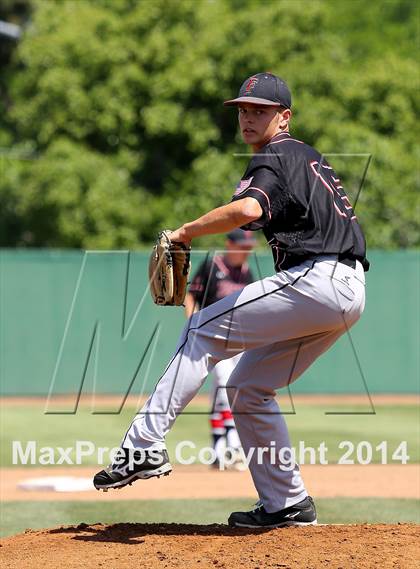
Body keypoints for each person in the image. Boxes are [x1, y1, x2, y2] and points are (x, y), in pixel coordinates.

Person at [94, 72, 369, 528]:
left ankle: (142, 446)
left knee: (199, 329)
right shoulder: (308, 157)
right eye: (243, 109)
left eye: (260, 109)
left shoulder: (276, 153)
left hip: (318, 279)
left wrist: (183, 231)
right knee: (246, 388)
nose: (247, 116)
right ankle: (288, 504)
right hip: (347, 289)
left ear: (284, 117)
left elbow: (248, 210)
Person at [185, 229, 256, 469]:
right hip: (214, 338)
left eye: (248, 247)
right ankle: (234, 447)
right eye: (242, 247)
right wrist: (191, 324)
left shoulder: (246, 273)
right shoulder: (212, 266)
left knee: (221, 394)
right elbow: (191, 296)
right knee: (227, 387)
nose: (246, 251)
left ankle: (218, 451)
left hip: (240, 341)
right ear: (229, 244)